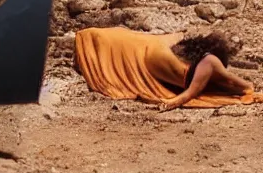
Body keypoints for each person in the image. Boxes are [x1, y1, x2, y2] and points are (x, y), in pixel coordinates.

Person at [74, 26, 262, 111]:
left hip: (162, 61)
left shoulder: (207, 64)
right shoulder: (210, 63)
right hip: (163, 63)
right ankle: (89, 41)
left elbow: (190, 93)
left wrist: (168, 102)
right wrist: (169, 102)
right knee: (124, 38)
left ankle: (89, 41)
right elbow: (190, 93)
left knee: (123, 39)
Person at [158, 31, 255, 111]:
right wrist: (247, 85)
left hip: (185, 77)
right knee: (191, 93)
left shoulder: (203, 57)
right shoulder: (211, 60)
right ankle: (171, 103)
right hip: (190, 78)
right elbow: (229, 77)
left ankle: (171, 102)